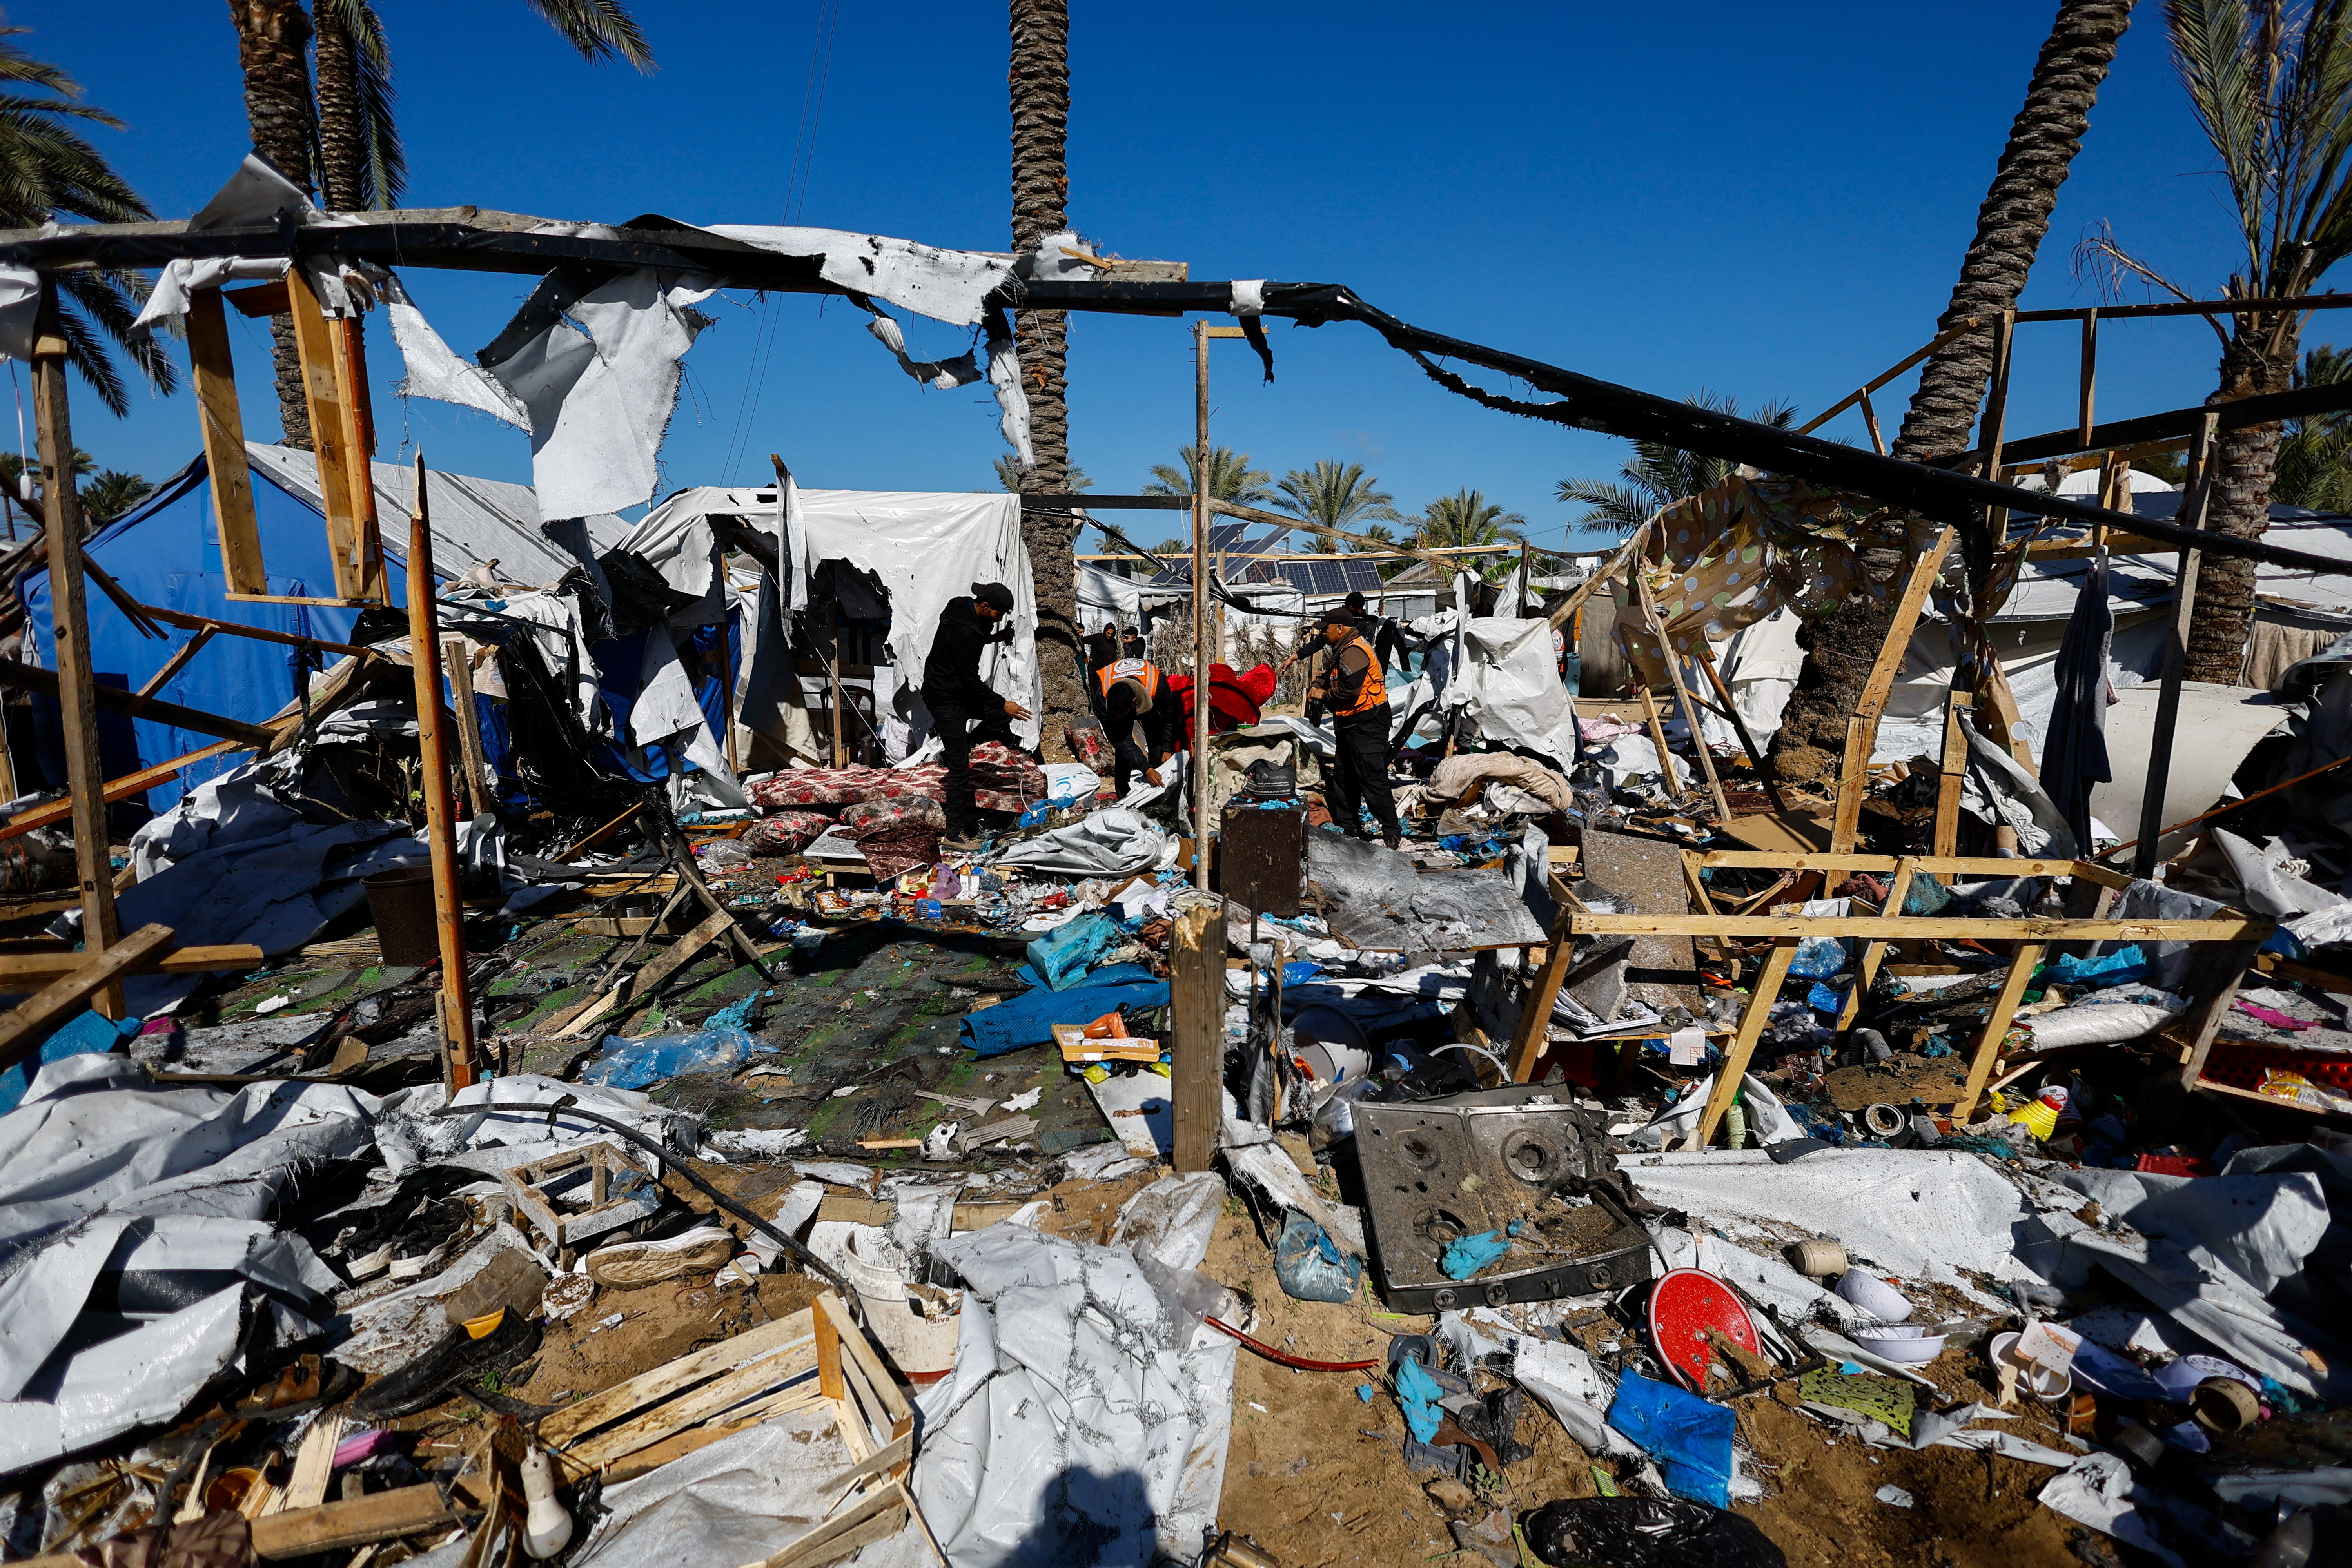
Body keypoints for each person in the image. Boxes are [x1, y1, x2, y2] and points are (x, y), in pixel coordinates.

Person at [923, 581, 1031, 848]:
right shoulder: (966, 633)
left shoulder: (960, 606)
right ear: (984, 606)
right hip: (944, 698)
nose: (998, 619)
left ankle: (959, 747)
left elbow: (970, 641)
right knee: (960, 769)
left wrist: (994, 638)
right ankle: (954, 835)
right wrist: (1003, 702)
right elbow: (972, 681)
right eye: (997, 614)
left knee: (1001, 716)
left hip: (957, 691)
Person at [1300, 609, 1400, 848]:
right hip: (1350, 723)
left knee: (1370, 777)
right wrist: (1318, 684)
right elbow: (1331, 675)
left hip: (1368, 723)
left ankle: (1392, 832)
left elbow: (1350, 691)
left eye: (1326, 629)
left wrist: (1322, 695)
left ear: (1340, 628)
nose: (1323, 633)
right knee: (1344, 778)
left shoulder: (1355, 651)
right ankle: (1349, 828)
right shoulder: (1342, 650)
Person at [1094, 655, 1181, 795]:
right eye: (1115, 714)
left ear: (1134, 702)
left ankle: (1158, 790)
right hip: (1121, 704)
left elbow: (1171, 716)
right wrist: (1145, 768)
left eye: (1122, 715)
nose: (1118, 718)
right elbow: (1120, 740)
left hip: (1149, 701)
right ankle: (1124, 795)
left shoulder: (1157, 687)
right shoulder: (1102, 697)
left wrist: (1167, 747)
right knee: (1124, 754)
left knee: (1157, 742)